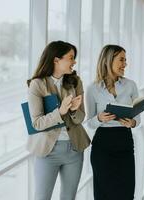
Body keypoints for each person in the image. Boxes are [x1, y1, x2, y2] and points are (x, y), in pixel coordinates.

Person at [26, 41, 90, 200]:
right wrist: (60, 112)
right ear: (56, 60)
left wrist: (74, 111)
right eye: (71, 57)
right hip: (48, 151)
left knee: (69, 197)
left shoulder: (75, 81)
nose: (74, 62)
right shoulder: (37, 84)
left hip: (74, 149)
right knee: (42, 197)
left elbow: (81, 117)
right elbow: (37, 123)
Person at [85, 44, 140, 200]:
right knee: (104, 194)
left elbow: (138, 117)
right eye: (121, 60)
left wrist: (133, 123)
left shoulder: (131, 85)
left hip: (125, 143)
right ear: (108, 60)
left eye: (125, 60)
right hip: (102, 146)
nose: (125, 64)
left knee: (126, 193)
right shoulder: (93, 89)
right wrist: (99, 118)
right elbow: (89, 122)